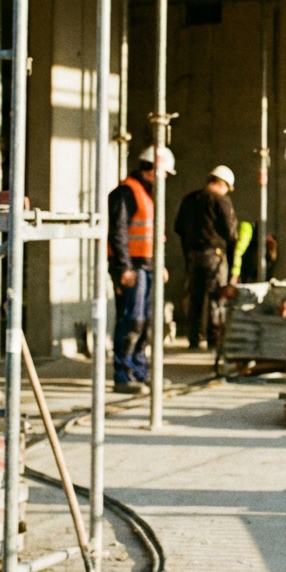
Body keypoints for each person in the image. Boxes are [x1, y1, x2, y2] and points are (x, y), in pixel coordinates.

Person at [108, 146, 175, 395]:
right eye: (163, 172)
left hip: (146, 266)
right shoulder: (126, 193)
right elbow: (119, 233)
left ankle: (139, 371)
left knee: (146, 322)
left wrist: (159, 264)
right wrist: (124, 268)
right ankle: (122, 374)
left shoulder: (146, 194)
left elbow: (153, 236)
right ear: (151, 169)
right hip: (132, 267)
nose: (166, 177)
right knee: (132, 320)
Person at [173, 165, 239, 349]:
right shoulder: (221, 201)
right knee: (216, 298)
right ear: (222, 184)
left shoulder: (189, 199)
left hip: (193, 255)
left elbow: (178, 228)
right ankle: (213, 339)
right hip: (214, 256)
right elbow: (230, 232)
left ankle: (193, 339)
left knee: (195, 298)